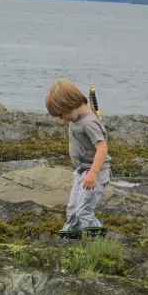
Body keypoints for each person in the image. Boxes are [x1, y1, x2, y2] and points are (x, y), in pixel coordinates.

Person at [45, 79, 111, 239]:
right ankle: (71, 233)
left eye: (62, 113)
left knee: (83, 210)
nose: (62, 118)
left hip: (94, 173)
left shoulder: (89, 123)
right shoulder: (76, 118)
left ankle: (98, 237)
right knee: (73, 208)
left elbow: (102, 149)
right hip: (81, 171)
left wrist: (93, 174)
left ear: (72, 104)